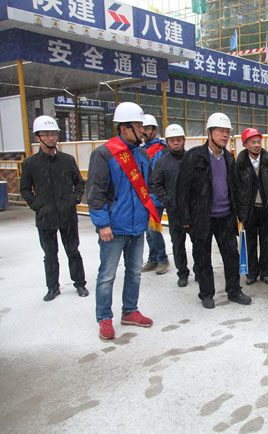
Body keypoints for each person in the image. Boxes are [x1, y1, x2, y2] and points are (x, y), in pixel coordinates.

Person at [87, 102, 156, 340]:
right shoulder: (104, 154)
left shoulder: (142, 154)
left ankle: (130, 311)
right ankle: (104, 318)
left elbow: (148, 187)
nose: (143, 130)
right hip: (113, 228)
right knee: (107, 275)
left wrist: (150, 213)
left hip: (137, 226)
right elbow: (95, 191)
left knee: (134, 272)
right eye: (138, 126)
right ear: (124, 128)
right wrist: (102, 224)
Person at [176, 113, 251, 309]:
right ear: (209, 133)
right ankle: (206, 293)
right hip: (202, 217)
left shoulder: (229, 158)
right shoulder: (194, 157)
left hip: (226, 216)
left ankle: (234, 290)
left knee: (231, 256)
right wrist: (185, 218)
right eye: (220, 131)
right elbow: (182, 189)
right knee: (202, 257)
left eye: (227, 132)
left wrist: (241, 213)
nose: (225, 135)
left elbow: (235, 188)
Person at [20, 115, 87, 301]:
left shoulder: (67, 160)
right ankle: (53, 287)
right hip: (45, 216)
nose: (51, 138)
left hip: (67, 215)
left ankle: (80, 283)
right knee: (50, 254)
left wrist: (74, 199)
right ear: (37, 137)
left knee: (73, 250)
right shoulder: (30, 163)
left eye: (54, 134)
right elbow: (24, 189)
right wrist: (36, 205)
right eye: (46, 134)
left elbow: (79, 183)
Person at [148, 124, 190, 287]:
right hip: (174, 211)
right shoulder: (162, 162)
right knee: (178, 244)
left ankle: (200, 271)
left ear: (184, 140)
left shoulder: (191, 158)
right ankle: (182, 273)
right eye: (172, 140)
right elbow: (155, 184)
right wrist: (168, 200)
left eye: (179, 139)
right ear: (167, 142)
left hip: (193, 210)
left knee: (199, 243)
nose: (176, 143)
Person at [236, 127, 268, 286]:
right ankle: (252, 273)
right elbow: (237, 187)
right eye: (252, 142)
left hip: (266, 210)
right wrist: (241, 210)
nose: (256, 145)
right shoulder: (239, 164)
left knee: (266, 243)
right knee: (250, 243)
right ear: (245, 144)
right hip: (249, 210)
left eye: (258, 142)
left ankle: (265, 273)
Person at [141, 114, 170, 275]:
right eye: (142, 128)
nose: (144, 132)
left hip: (157, 196)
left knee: (153, 229)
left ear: (154, 130)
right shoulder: (141, 150)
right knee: (147, 229)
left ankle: (162, 259)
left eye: (147, 128)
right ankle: (153, 258)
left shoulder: (162, 149)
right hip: (144, 195)